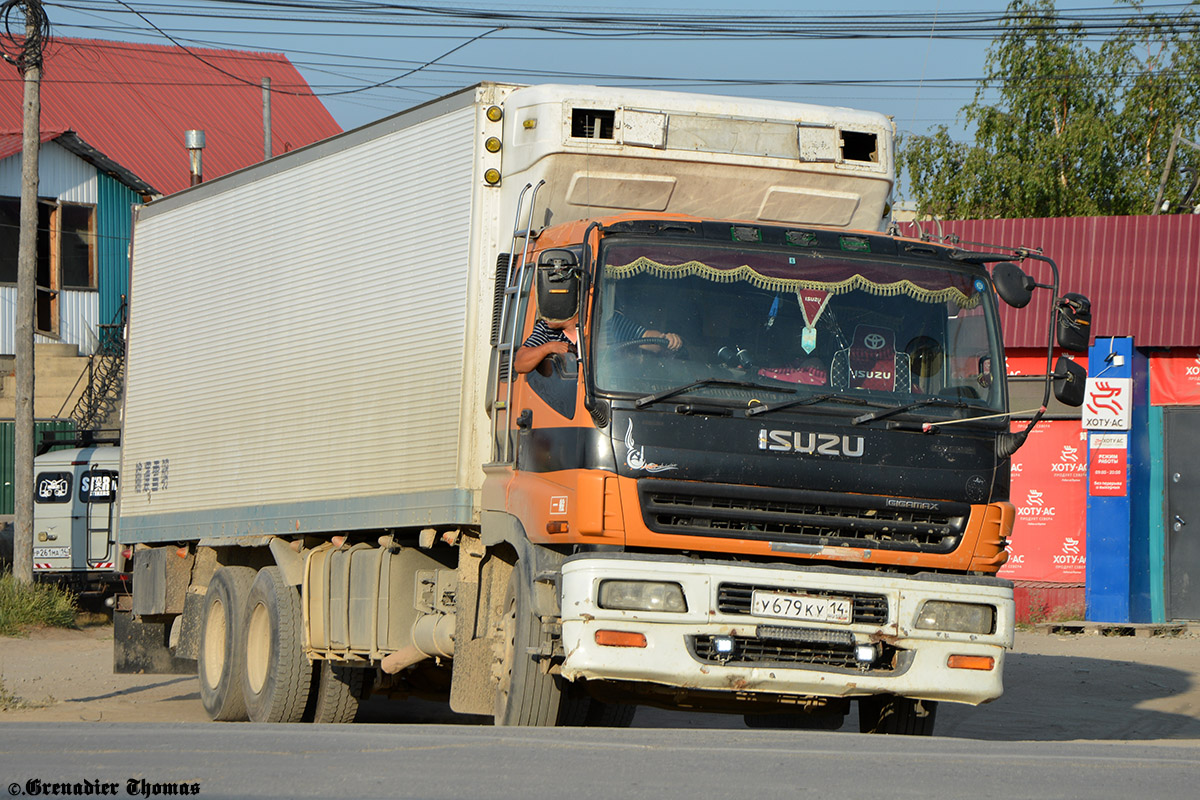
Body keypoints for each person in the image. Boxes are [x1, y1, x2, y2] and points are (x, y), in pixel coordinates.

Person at [513, 312, 683, 374]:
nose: (545, 312)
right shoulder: (546, 329)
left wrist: (665, 339)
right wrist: (548, 348)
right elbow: (520, 364)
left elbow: (645, 338)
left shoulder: (609, 321)